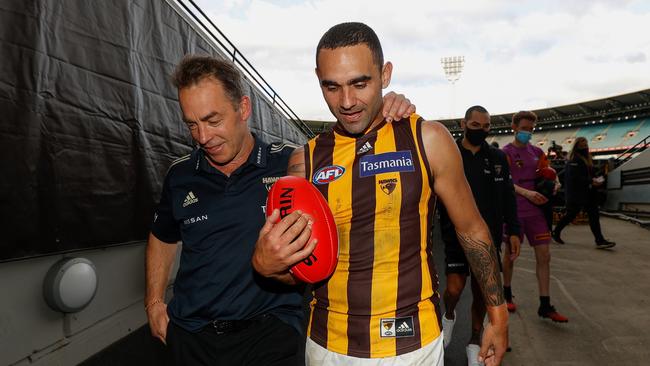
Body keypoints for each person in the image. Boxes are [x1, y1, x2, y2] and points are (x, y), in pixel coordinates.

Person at [144, 55, 415, 365]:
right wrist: (153, 302)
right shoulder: (179, 175)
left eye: (213, 120)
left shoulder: (292, 164)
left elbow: (353, 150)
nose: (203, 137)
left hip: (270, 334)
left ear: (243, 108)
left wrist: (386, 108)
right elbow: (162, 236)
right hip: (191, 337)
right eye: (192, 124)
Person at [266, 22, 508, 366]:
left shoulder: (429, 139)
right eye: (331, 86)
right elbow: (296, 266)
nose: (347, 101)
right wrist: (266, 263)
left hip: (414, 346)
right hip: (327, 347)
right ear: (318, 78)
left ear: (386, 74)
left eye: (360, 83)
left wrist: (498, 317)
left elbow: (472, 230)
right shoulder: (303, 163)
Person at [439, 105, 521, 365]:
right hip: (455, 236)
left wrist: (514, 231)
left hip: (489, 237)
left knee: (481, 293)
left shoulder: (497, 158)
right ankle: (448, 315)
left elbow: (508, 196)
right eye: (476, 126)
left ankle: (474, 341)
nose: (481, 131)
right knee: (453, 289)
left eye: (486, 127)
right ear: (464, 124)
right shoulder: (450, 153)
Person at [501, 111, 569, 323]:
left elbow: (547, 171)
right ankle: (506, 294)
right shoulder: (505, 153)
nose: (527, 133)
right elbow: (503, 182)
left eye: (531, 129)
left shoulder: (537, 152)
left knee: (544, 256)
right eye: (524, 129)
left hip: (537, 212)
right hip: (513, 211)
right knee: (511, 255)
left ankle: (545, 304)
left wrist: (555, 183)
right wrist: (526, 192)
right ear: (514, 127)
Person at [552, 137, 616, 249]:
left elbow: (588, 174)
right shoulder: (574, 159)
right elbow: (575, 178)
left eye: (586, 143)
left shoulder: (586, 158)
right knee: (571, 215)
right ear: (577, 145)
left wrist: (597, 178)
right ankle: (556, 232)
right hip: (577, 193)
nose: (585, 146)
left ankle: (599, 240)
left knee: (594, 216)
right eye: (582, 144)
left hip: (588, 192)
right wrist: (591, 181)